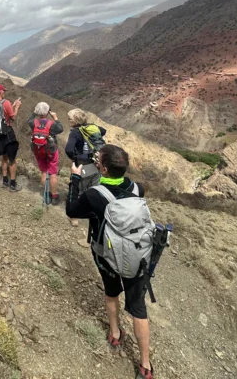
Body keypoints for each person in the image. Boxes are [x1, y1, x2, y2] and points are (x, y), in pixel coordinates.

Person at [66, 145, 154, 379]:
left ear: (104, 169)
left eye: (99, 160)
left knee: (111, 292)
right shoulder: (138, 188)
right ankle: (145, 365)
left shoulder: (94, 195)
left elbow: (71, 210)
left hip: (108, 256)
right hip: (137, 258)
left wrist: (75, 179)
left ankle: (115, 333)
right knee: (138, 308)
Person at [28, 102, 63, 204]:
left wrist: (34, 113)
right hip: (51, 152)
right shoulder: (51, 124)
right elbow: (60, 128)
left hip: (39, 151)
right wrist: (55, 117)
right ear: (48, 112)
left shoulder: (33, 123)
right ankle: (54, 196)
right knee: (52, 173)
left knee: (44, 172)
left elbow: (29, 120)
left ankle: (46, 195)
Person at [0, 84, 22, 191]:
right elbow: (13, 117)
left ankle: (4, 180)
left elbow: (3, 114)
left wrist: (11, 106)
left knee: (4, 157)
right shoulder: (6, 102)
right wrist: (16, 107)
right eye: (3, 91)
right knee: (12, 159)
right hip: (7, 133)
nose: (4, 92)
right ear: (0, 92)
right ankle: (13, 184)